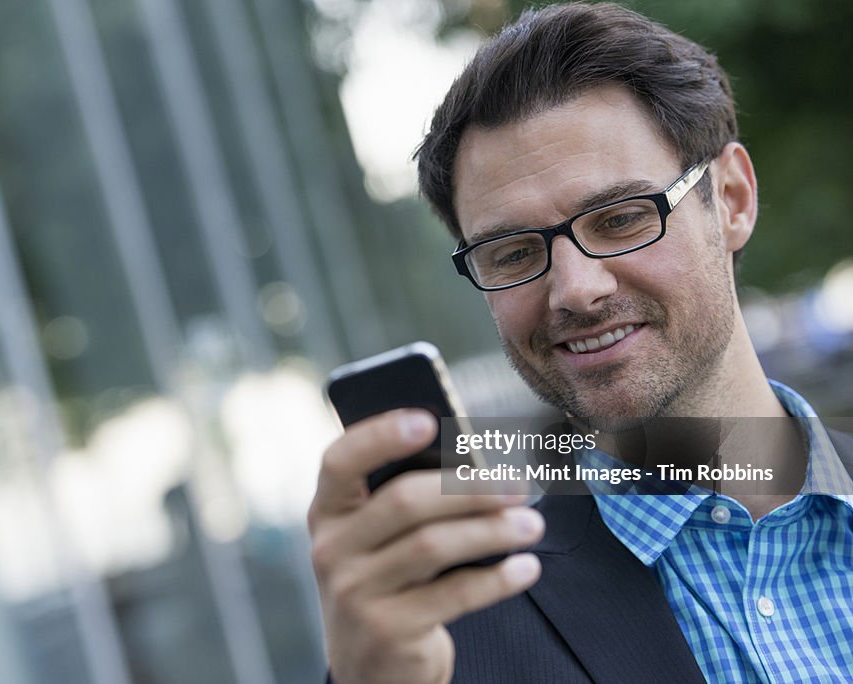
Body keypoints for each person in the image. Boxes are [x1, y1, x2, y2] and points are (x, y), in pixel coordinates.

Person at [307, 3, 853, 683]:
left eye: (621, 218)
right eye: (511, 253)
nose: (575, 289)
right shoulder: (437, 642)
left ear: (733, 197)